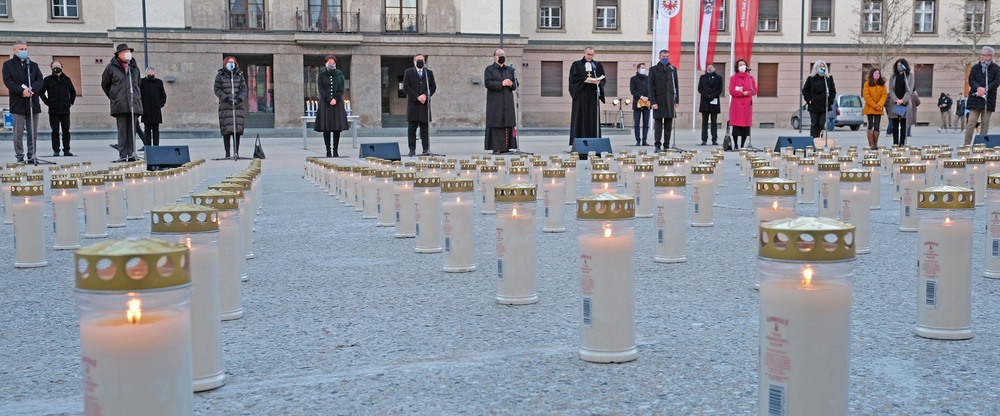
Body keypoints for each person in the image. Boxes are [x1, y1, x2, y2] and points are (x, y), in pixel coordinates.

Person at [101, 43, 143, 162]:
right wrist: (114, 96)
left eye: (128, 52)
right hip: (120, 104)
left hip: (133, 104)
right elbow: (105, 84)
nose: (127, 54)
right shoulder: (111, 67)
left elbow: (138, 84)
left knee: (132, 130)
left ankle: (132, 153)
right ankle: (123, 154)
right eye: (125, 52)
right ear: (119, 54)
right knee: (122, 130)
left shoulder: (134, 68)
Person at [2, 40, 43, 163]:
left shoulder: (33, 65)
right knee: (18, 133)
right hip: (18, 102)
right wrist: (22, 91)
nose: (24, 51)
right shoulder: (8, 65)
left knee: (32, 132)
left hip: (32, 102)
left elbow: (40, 80)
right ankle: (19, 156)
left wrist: (32, 89)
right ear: (14, 50)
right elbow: (8, 81)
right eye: (21, 49)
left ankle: (32, 155)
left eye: (25, 49)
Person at [568, 46, 605, 147]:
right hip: (581, 95)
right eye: (588, 54)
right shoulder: (576, 65)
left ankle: (594, 142)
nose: (590, 57)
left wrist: (598, 82)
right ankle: (579, 144)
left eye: (592, 55)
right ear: (584, 53)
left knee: (592, 119)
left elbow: (603, 79)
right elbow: (573, 79)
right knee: (580, 119)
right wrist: (584, 80)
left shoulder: (597, 65)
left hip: (593, 96)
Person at [484, 48, 517, 154]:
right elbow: (488, 83)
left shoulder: (510, 70)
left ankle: (507, 147)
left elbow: (516, 84)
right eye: (499, 54)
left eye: (503, 54)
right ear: (495, 57)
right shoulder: (489, 69)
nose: (501, 56)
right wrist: (501, 84)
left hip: (507, 102)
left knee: (507, 122)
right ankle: (496, 147)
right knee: (497, 122)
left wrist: (511, 84)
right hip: (495, 102)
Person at [39, 60, 76, 157]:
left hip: (65, 110)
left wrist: (70, 103)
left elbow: (73, 92)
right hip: (53, 110)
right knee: (55, 131)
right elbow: (41, 92)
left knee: (66, 131)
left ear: (62, 67)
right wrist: (48, 103)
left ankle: (66, 150)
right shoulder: (47, 80)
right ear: (51, 68)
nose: (56, 68)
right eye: (54, 66)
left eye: (58, 66)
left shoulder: (67, 79)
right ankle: (56, 150)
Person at [964, 46, 1000, 145]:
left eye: (984, 55)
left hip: (988, 100)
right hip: (975, 99)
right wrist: (978, 88)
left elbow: (997, 81)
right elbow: (971, 80)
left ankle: (981, 145)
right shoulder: (975, 67)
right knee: (971, 123)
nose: (982, 57)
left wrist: (986, 89)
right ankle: (966, 144)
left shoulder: (996, 68)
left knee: (985, 123)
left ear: (990, 56)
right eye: (981, 55)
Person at [314, 55, 349, 157]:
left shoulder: (339, 74)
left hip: (337, 104)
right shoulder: (321, 75)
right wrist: (329, 99)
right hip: (325, 103)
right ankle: (328, 151)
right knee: (327, 128)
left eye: (332, 62)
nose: (331, 63)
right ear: (326, 63)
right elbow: (321, 89)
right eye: (329, 62)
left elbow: (341, 89)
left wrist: (335, 99)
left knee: (336, 128)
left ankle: (335, 151)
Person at [402, 53, 436, 156]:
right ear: (414, 61)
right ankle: (412, 149)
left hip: (424, 105)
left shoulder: (428, 73)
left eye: (422, 60)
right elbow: (406, 86)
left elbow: (433, 87)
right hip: (413, 104)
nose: (420, 61)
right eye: (418, 60)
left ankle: (425, 149)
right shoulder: (408, 72)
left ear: (424, 61)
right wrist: (417, 97)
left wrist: (425, 95)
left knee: (424, 129)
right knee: (412, 128)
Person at [214, 56, 248, 159]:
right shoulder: (220, 76)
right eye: (229, 62)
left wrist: (239, 99)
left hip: (237, 107)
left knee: (237, 130)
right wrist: (226, 98)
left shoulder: (239, 75)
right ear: (225, 63)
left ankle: (236, 151)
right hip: (226, 106)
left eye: (232, 62)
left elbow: (244, 89)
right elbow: (217, 89)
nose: (231, 64)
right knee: (227, 130)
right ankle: (227, 153)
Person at [649, 49, 679, 152]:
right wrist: (653, 102)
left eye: (667, 57)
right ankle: (657, 145)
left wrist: (676, 100)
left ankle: (666, 145)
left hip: (670, 100)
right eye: (663, 57)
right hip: (658, 100)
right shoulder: (653, 69)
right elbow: (650, 87)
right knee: (658, 125)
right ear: (659, 57)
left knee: (668, 125)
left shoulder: (672, 69)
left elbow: (676, 86)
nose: (665, 58)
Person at [801, 60, 836, 139]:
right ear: (816, 68)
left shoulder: (828, 79)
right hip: (814, 105)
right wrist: (809, 100)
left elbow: (833, 91)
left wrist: (830, 102)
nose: (822, 68)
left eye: (823, 66)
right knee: (814, 124)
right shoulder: (811, 78)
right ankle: (813, 140)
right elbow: (805, 91)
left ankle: (820, 140)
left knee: (821, 124)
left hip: (824, 105)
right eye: (820, 66)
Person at [728, 58, 756, 151]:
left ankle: (742, 145)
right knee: (736, 126)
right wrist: (742, 93)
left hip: (747, 105)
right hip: (737, 105)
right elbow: (732, 91)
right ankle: (736, 144)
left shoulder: (750, 78)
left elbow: (754, 90)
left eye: (743, 64)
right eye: (740, 65)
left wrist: (747, 93)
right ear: (737, 67)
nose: (742, 66)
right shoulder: (733, 78)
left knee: (745, 126)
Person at [886, 58, 914, 146]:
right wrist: (896, 100)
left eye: (900, 65)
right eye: (897, 65)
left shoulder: (909, 76)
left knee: (903, 124)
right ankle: (895, 143)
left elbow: (909, 90)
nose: (899, 67)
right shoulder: (893, 77)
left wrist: (903, 100)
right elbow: (891, 90)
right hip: (895, 103)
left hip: (904, 103)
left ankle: (902, 143)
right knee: (895, 124)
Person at [139, 67, 166, 148]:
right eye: (149, 74)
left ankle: (156, 147)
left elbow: (163, 95)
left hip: (156, 110)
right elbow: (139, 95)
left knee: (156, 130)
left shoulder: (159, 83)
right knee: (147, 130)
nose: (151, 75)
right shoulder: (142, 82)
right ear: (146, 73)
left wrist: (160, 104)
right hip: (146, 110)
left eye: (152, 74)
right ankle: (148, 147)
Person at [697, 63, 723, 146]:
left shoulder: (719, 78)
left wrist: (712, 96)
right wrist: (706, 96)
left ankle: (714, 139)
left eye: (711, 67)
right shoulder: (703, 77)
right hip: (705, 102)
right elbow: (699, 89)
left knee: (714, 122)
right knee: (704, 122)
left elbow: (719, 90)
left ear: (714, 68)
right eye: (708, 67)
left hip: (714, 102)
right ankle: (704, 139)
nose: (709, 68)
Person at [862, 67, 886, 148]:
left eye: (878, 73)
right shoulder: (867, 84)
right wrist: (874, 105)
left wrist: (879, 105)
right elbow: (866, 96)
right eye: (875, 73)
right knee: (870, 124)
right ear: (872, 74)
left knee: (877, 125)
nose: (877, 74)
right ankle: (871, 143)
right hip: (870, 107)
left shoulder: (882, 84)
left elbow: (884, 95)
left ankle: (875, 143)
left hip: (879, 108)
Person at [629, 62, 650, 146]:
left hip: (647, 103)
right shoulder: (633, 79)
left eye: (645, 68)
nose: (644, 69)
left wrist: (648, 97)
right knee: (636, 123)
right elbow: (632, 90)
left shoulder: (648, 78)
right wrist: (641, 97)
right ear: (638, 69)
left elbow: (652, 89)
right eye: (642, 68)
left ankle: (644, 140)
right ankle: (638, 140)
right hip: (637, 104)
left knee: (646, 123)